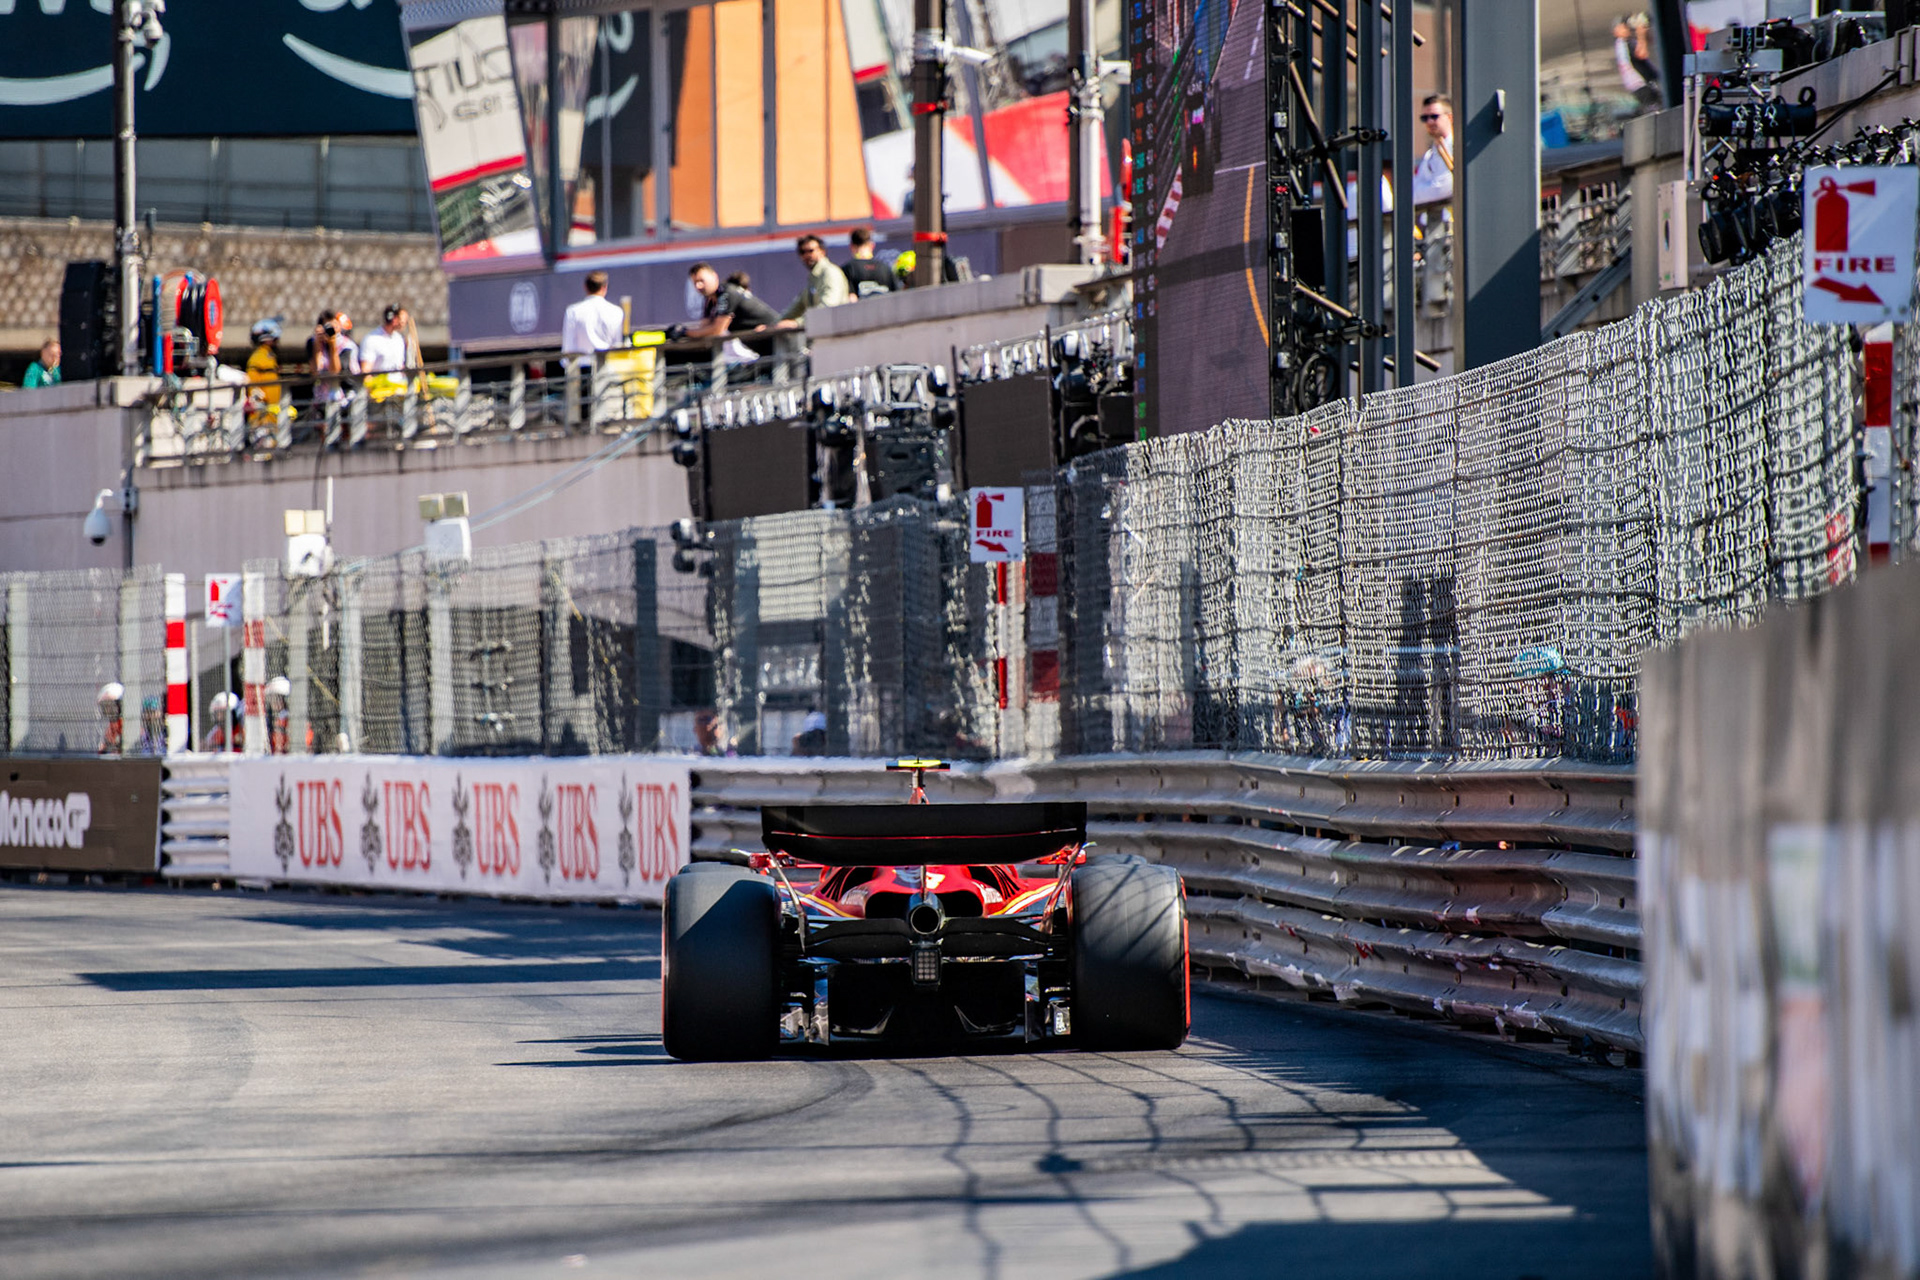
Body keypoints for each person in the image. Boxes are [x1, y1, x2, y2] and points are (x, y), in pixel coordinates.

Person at [674, 263, 782, 344]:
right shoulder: (709, 301)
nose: (698, 286)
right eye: (695, 283)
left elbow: (717, 330)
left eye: (701, 280)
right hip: (761, 344)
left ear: (714, 276)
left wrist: (685, 332)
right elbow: (704, 329)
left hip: (778, 339)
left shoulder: (727, 293)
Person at [772, 234, 849, 331]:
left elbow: (828, 308)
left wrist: (797, 323)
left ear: (822, 251)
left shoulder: (830, 273)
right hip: (823, 335)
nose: (807, 255)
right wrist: (772, 326)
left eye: (811, 251)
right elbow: (796, 308)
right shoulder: (814, 278)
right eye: (802, 252)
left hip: (836, 336)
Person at [561, 270, 625, 362]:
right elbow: (617, 345)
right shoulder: (617, 312)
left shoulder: (573, 311)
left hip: (582, 369)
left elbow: (569, 347)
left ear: (585, 287)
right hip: (606, 367)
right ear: (605, 287)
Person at [1411, 94, 1454, 217]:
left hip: (1450, 226)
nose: (1429, 122)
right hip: (1431, 225)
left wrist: (1419, 191)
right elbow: (1411, 193)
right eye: (1425, 118)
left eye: (1434, 116)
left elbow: (1443, 189)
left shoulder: (1455, 149)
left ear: (1450, 118)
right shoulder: (1430, 155)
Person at [245, 318, 284, 427]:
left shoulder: (269, 356)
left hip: (271, 415)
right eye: (275, 339)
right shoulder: (258, 357)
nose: (277, 341)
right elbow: (253, 385)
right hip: (262, 417)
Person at [841, 227, 897, 298]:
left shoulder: (848, 269)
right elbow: (896, 296)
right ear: (872, 245)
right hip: (886, 307)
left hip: (861, 308)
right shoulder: (886, 268)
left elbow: (851, 298)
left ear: (851, 247)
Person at [360, 304, 410, 375]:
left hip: (399, 384)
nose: (404, 323)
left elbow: (400, 366)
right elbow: (366, 371)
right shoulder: (371, 339)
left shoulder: (399, 339)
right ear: (394, 319)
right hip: (381, 384)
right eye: (402, 320)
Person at [96, 682, 124, 756]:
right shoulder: (112, 725)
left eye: (110, 706)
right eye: (105, 706)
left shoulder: (124, 724)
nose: (107, 710)